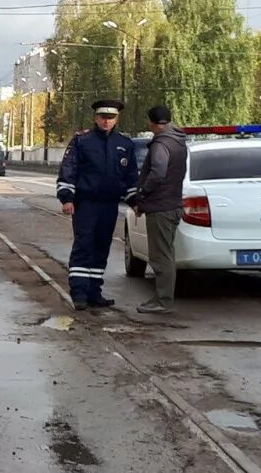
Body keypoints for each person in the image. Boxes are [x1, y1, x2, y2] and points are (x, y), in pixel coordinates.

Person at [55, 98, 137, 309]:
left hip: (109, 205)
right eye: (103, 117)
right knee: (84, 246)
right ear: (96, 118)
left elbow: (130, 178)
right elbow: (69, 170)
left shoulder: (124, 144)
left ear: (117, 119)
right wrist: (67, 198)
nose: (106, 122)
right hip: (85, 204)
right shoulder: (82, 141)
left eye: (111, 118)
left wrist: (135, 201)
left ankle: (94, 292)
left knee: (102, 248)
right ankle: (79, 293)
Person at [131, 104, 188, 314]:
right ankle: (164, 297)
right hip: (173, 205)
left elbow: (157, 173)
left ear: (153, 123)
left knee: (160, 256)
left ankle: (162, 300)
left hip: (160, 207)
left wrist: (142, 194)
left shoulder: (161, 144)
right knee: (167, 254)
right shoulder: (179, 141)